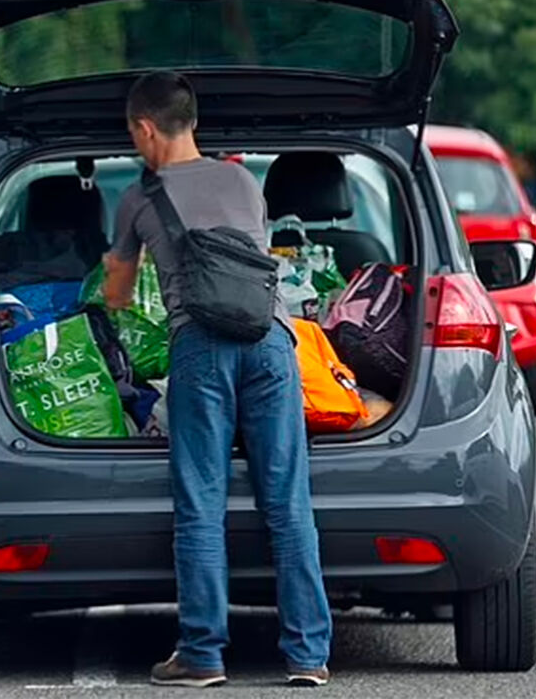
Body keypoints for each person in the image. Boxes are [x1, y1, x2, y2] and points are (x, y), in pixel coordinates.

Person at [102, 71, 333, 687]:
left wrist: (115, 270)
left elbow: (117, 296)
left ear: (145, 129)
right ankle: (308, 655)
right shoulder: (241, 180)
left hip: (202, 349)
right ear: (193, 122)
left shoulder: (139, 198)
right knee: (287, 500)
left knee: (201, 504)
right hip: (271, 340)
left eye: (133, 134)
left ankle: (202, 654)